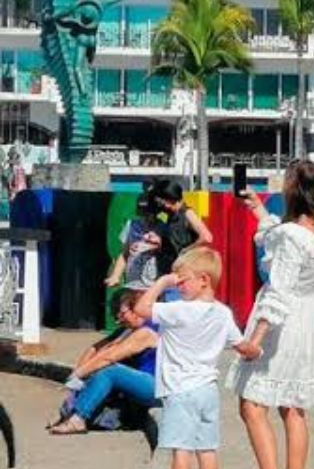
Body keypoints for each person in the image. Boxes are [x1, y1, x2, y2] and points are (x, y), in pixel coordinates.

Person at [229, 161, 314, 469]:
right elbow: (273, 237)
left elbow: (279, 289)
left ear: (293, 189)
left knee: (252, 405)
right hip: (307, 321)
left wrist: (255, 340)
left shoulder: (291, 235)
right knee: (293, 407)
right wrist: (259, 211)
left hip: (283, 324)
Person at [133, 248, 259, 469]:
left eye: (183, 280)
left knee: (182, 451)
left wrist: (162, 282)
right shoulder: (223, 313)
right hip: (207, 390)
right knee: (207, 449)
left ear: (204, 280)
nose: (177, 285)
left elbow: (141, 308)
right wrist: (257, 351)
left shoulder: (177, 310)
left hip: (179, 390)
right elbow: (242, 347)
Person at [49, 289, 160, 434]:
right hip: (145, 384)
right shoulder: (130, 330)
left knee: (110, 371)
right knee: (99, 369)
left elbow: (109, 357)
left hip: (158, 387)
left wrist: (77, 375)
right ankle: (69, 410)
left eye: (122, 313)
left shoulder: (147, 331)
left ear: (136, 309)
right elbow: (99, 350)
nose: (118, 319)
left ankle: (78, 419)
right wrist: (77, 384)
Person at [152, 179, 213, 276]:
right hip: (172, 268)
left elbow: (207, 237)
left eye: (165, 202)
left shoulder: (187, 213)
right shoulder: (170, 215)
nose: (164, 206)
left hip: (186, 269)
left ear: (172, 199)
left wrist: (186, 251)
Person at [105, 190, 163, 290]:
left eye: (148, 214)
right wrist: (116, 276)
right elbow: (124, 254)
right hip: (132, 283)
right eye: (142, 214)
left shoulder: (162, 228)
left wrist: (154, 246)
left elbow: (169, 252)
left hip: (152, 285)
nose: (144, 218)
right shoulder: (132, 225)